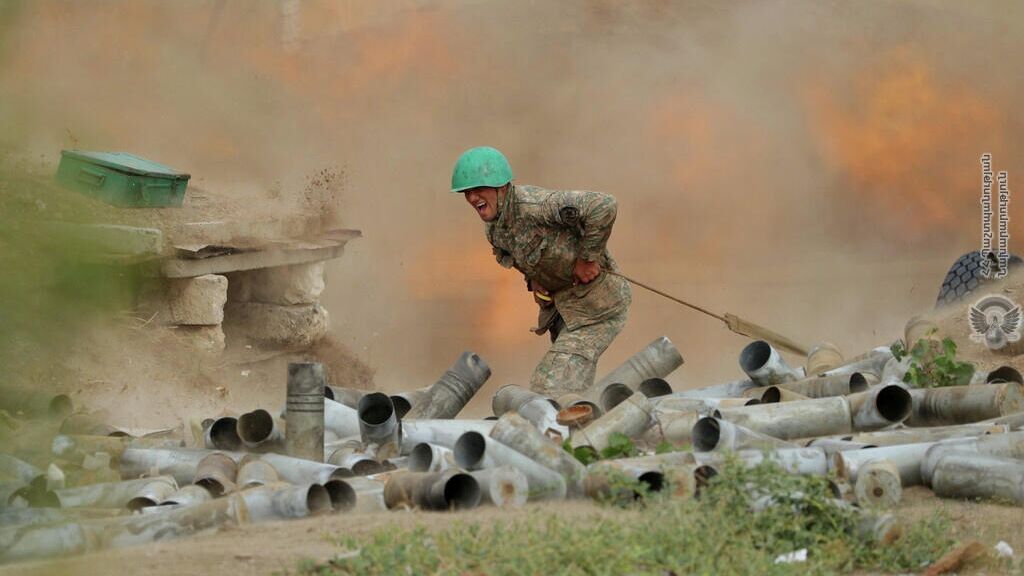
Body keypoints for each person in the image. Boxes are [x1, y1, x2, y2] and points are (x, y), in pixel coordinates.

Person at [451, 146, 631, 397]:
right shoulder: (495, 230)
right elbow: (522, 256)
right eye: (466, 192)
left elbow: (603, 205)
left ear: (501, 187)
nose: (472, 198)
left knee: (551, 386)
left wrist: (588, 259)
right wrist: (534, 280)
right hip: (565, 312)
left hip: (598, 308)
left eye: (478, 189)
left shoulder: (536, 206)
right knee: (570, 389)